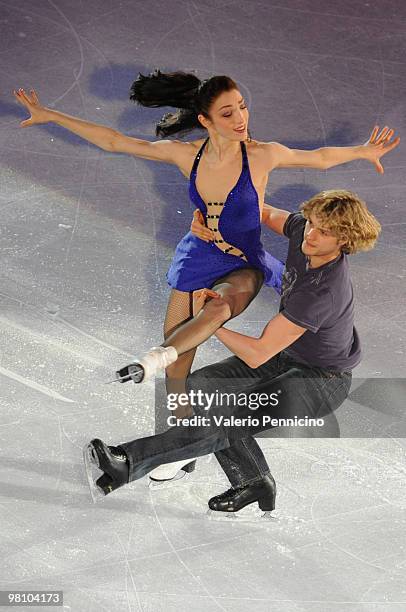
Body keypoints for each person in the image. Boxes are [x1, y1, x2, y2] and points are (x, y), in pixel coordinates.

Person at [13, 75, 398, 483]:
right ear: (206, 120)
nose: (241, 119)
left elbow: (319, 158)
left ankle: (153, 374)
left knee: (217, 312)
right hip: (200, 255)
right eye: (228, 113)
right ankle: (184, 450)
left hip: (244, 262)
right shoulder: (186, 156)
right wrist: (49, 114)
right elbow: (114, 141)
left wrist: (363, 150)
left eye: (243, 108)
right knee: (181, 371)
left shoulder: (262, 155)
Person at [83, 188, 383, 513]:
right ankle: (253, 481)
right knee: (201, 387)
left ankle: (127, 463)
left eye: (323, 232)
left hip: (320, 381)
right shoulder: (303, 233)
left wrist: (212, 322)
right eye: (311, 223)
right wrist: (210, 216)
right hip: (288, 357)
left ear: (344, 240)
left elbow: (257, 353)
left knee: (229, 420)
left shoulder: (322, 292)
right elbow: (262, 212)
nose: (310, 234)